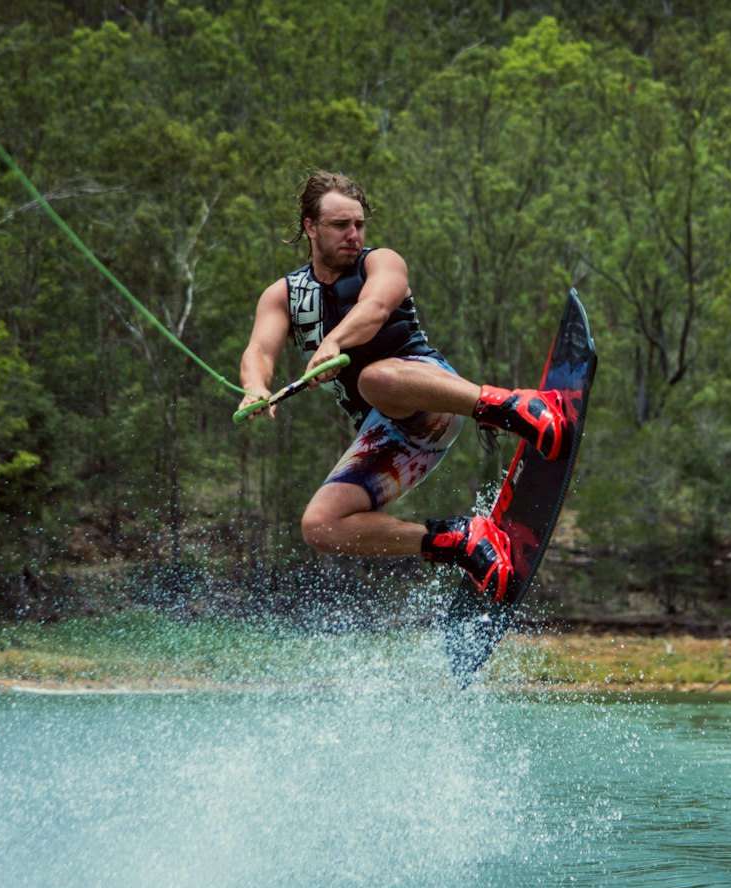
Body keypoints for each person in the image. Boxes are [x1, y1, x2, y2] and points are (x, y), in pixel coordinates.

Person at [238, 171, 569, 602]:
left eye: (358, 224)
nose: (353, 234)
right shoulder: (282, 295)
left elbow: (375, 308)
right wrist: (255, 387)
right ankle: (460, 541)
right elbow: (259, 351)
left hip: (431, 394)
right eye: (340, 225)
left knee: (374, 377)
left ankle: (511, 407)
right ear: (310, 227)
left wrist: (334, 341)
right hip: (388, 433)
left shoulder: (382, 262)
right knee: (320, 525)